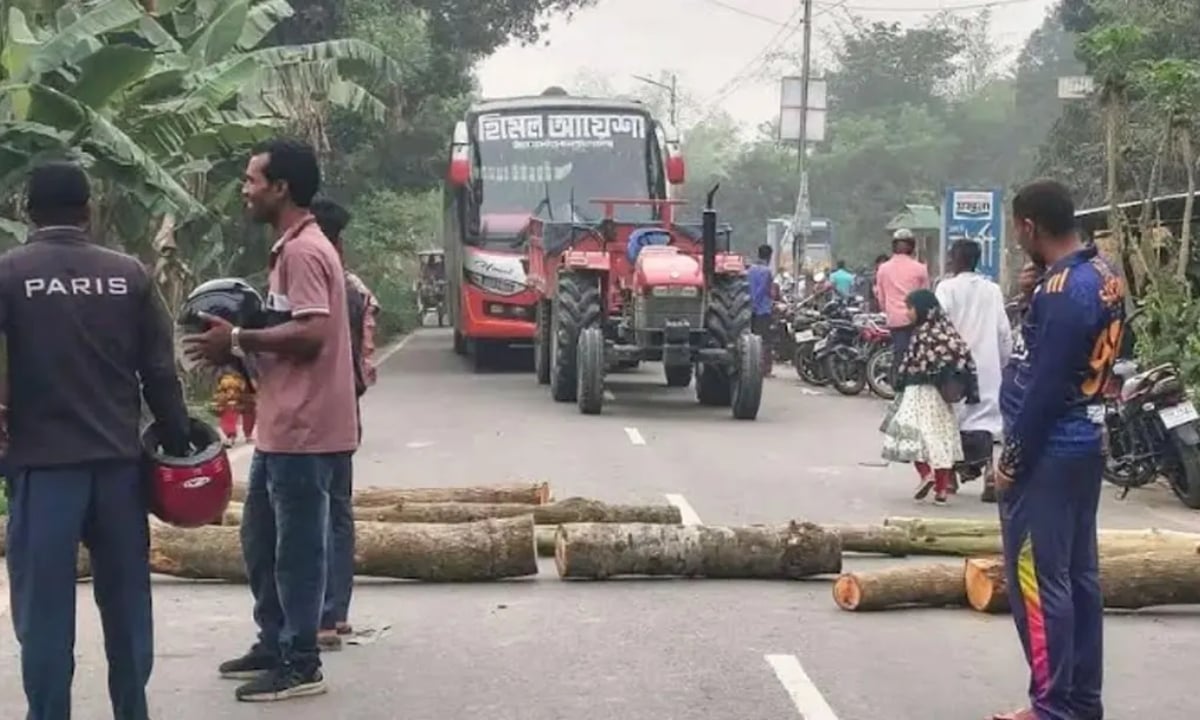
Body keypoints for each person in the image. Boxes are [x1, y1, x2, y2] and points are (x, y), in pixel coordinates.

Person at [1, 161, 191, 720]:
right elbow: (160, 371)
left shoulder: (9, 274)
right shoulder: (128, 274)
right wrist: (177, 438)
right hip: (117, 469)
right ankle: (132, 710)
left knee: (44, 614)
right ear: (88, 210)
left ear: (28, 212)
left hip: (43, 469)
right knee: (127, 606)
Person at [184, 139, 359, 702]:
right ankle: (274, 641)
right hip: (283, 425)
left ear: (280, 188)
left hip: (306, 429)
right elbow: (292, 330)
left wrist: (237, 338)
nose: (245, 189)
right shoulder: (290, 248)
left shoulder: (305, 251)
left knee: (297, 552)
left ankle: (300, 661)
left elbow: (313, 332)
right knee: (260, 539)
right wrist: (242, 346)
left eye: (251, 179)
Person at [991, 180, 1123, 720]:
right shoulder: (1102, 275)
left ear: (1029, 226)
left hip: (1049, 449)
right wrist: (1033, 294)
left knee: (1038, 581)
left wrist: (1012, 458)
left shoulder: (1062, 290)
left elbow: (1044, 387)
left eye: (1016, 229)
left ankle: (1051, 707)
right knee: (1079, 577)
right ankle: (1081, 701)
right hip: (1085, 439)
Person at [309, 198, 380, 651]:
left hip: (314, 412)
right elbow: (364, 359)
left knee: (312, 512)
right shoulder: (354, 288)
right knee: (338, 509)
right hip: (346, 408)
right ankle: (336, 612)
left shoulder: (319, 282)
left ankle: (320, 615)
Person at [881, 289, 979, 506]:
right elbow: (962, 356)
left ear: (922, 308)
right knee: (939, 439)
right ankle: (941, 491)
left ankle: (926, 474)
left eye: (910, 308)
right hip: (941, 397)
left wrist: (902, 380)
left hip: (918, 392)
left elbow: (910, 363)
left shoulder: (922, 333)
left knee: (910, 433)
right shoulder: (947, 331)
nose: (907, 313)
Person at [936, 239, 1013, 503]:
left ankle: (949, 477)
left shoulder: (945, 288)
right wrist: (1004, 362)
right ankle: (990, 472)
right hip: (987, 365)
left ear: (955, 259)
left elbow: (939, 325)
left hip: (955, 366)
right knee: (988, 423)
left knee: (950, 419)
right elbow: (1003, 331)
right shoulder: (992, 290)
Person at [874, 228, 930, 381]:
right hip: (916, 319)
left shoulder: (883, 269)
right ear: (912, 246)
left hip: (895, 319)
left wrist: (887, 310)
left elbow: (881, 297)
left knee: (899, 353)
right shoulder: (920, 268)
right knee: (916, 355)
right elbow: (925, 295)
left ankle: (898, 383)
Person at [747, 243, 776, 377]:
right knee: (765, 341)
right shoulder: (767, 272)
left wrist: (751, 304)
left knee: (752, 339)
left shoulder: (750, 270)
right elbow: (764, 290)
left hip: (749, 309)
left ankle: (752, 367)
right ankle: (764, 369)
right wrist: (757, 303)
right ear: (769, 256)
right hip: (763, 310)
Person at [213, 366, 256, 447]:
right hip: (235, 379)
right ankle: (234, 435)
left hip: (242, 378)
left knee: (247, 411)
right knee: (232, 412)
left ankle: (242, 434)